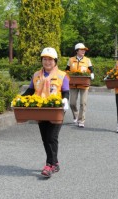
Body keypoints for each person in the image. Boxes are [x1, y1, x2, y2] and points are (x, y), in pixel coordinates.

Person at [22, 47, 69, 178]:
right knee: (45, 138)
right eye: (44, 59)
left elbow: (65, 91)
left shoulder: (62, 75)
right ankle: (55, 162)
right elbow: (30, 91)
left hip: (56, 111)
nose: (47, 62)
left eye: (50, 59)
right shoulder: (36, 75)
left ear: (55, 61)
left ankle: (49, 165)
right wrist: (19, 99)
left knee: (52, 137)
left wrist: (65, 100)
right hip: (41, 110)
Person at [65, 43, 94, 128]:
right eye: (81, 50)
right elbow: (67, 70)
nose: (83, 51)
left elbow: (91, 70)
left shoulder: (87, 60)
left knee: (83, 103)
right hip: (73, 84)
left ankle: (81, 120)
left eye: (84, 50)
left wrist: (92, 74)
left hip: (84, 84)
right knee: (72, 103)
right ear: (77, 51)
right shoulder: (70, 60)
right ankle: (76, 115)